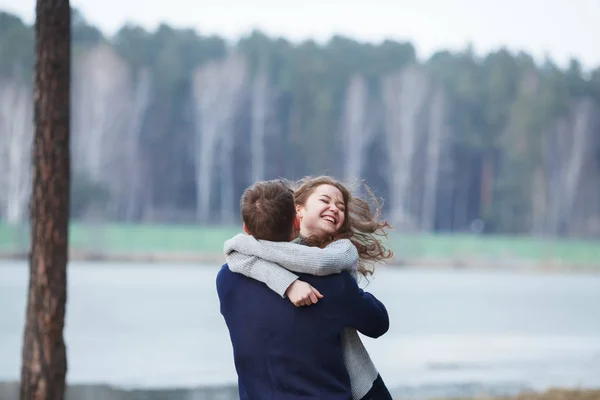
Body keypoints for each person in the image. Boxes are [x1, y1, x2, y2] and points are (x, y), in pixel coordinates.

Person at [216, 179, 389, 400]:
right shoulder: (334, 284)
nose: (334, 208)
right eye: (324, 200)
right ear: (297, 218)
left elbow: (240, 257)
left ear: (246, 229)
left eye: (340, 206)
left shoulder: (228, 279)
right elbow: (378, 323)